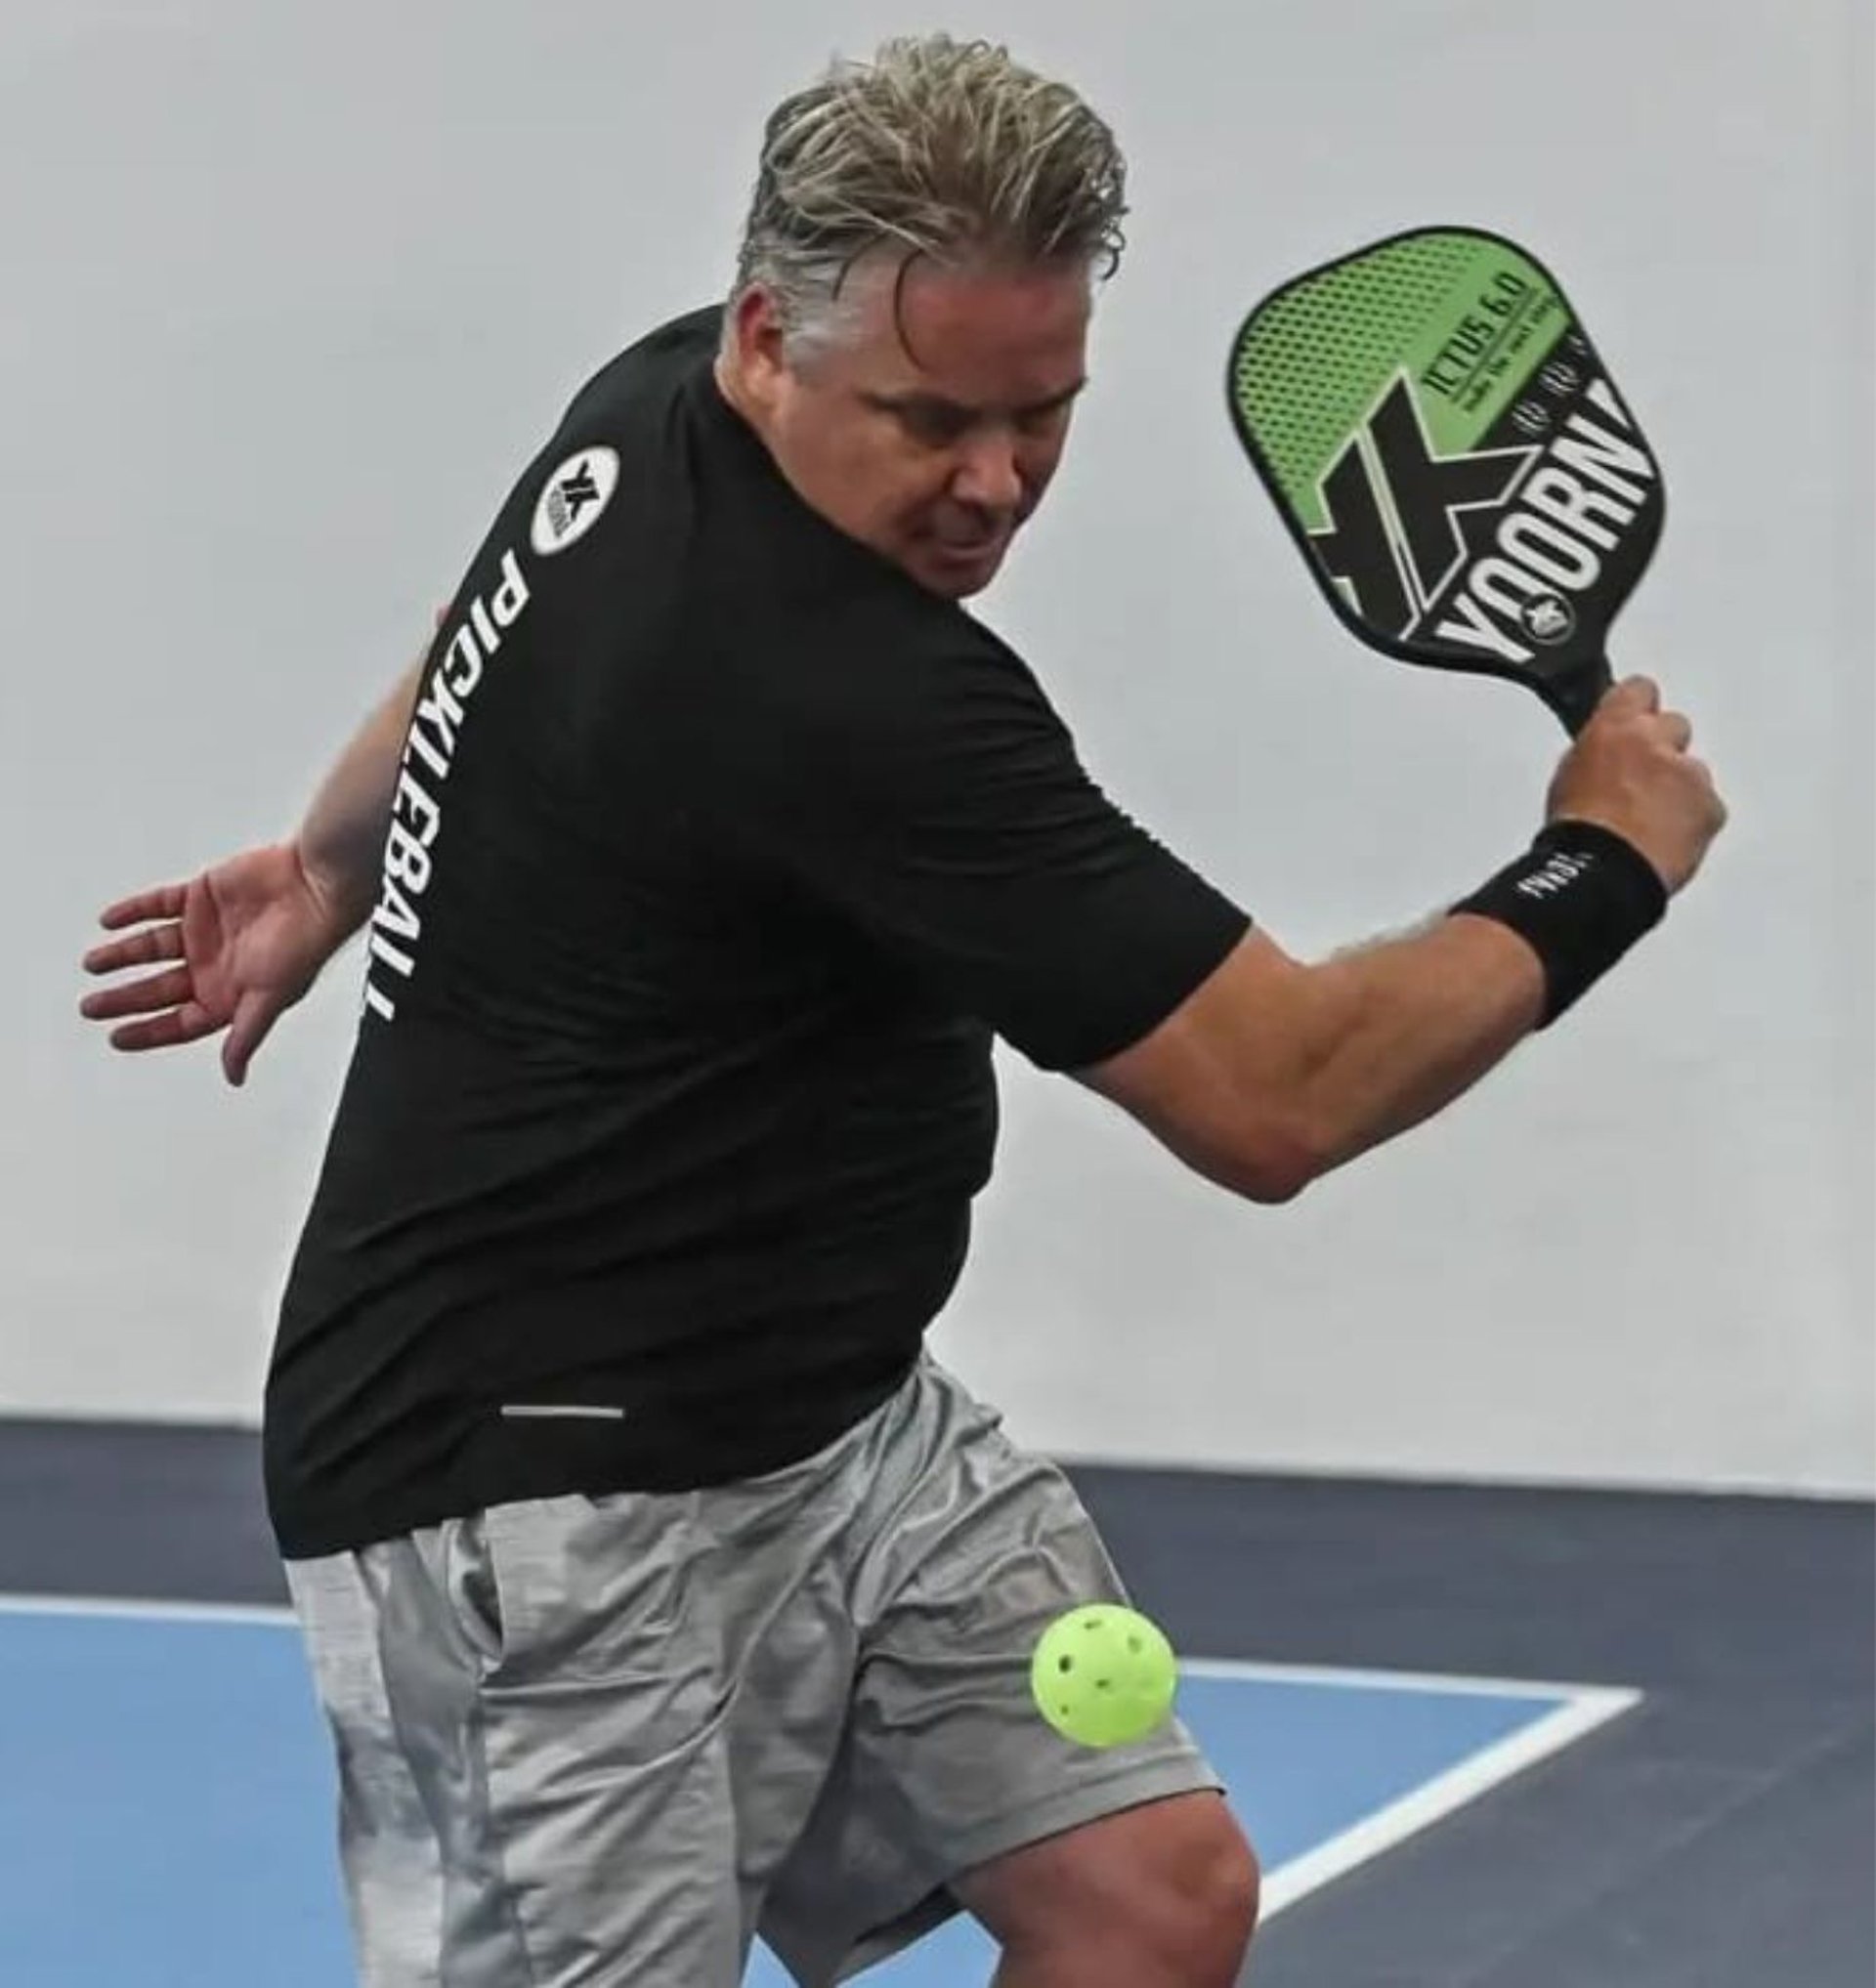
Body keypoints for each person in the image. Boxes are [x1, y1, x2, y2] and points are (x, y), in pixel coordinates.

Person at [77, 33, 1726, 1988]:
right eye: (936, 421)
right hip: (529, 1507)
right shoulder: (847, 698)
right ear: (773, 339)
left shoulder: (652, 399)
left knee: (1144, 1898)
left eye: (1045, 413)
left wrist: (336, 857)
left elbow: (480, 621)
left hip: (829, 1418)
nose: (996, 483)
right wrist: (1601, 861)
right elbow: (1276, 1097)